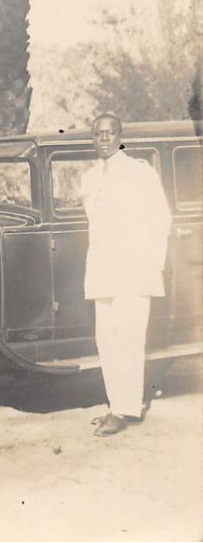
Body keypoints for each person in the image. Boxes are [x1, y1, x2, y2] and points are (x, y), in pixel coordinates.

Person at [81, 112, 172, 437]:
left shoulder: (139, 173)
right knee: (106, 339)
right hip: (103, 272)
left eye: (109, 132)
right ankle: (115, 404)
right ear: (93, 139)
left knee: (129, 339)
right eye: (98, 134)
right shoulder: (90, 178)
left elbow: (161, 218)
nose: (104, 138)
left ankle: (125, 409)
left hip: (133, 271)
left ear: (119, 137)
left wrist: (151, 263)